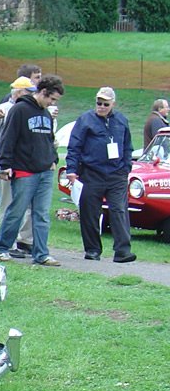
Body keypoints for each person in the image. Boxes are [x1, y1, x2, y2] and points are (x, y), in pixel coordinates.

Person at [0, 74, 64, 266]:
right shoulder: (19, 110)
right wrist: (5, 165)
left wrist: (53, 159)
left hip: (45, 170)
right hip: (24, 171)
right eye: (52, 99)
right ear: (43, 92)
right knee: (17, 210)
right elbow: (8, 138)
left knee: (41, 214)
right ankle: (1, 246)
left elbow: (49, 139)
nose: (52, 104)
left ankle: (41, 253)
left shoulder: (46, 114)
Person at [65, 87, 135, 263]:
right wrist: (72, 170)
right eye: (99, 103)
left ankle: (123, 251)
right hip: (91, 173)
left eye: (105, 103)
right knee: (90, 212)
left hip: (116, 173)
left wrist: (126, 167)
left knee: (119, 210)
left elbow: (128, 146)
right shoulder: (85, 120)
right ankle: (93, 250)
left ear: (113, 104)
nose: (101, 106)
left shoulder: (121, 120)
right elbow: (74, 146)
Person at [0, 76, 42, 255]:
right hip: (7, 162)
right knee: (8, 203)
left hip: (25, 163)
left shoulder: (31, 109)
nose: (32, 95)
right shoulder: (5, 107)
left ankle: (25, 240)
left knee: (26, 204)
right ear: (19, 92)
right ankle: (7, 243)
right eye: (28, 92)